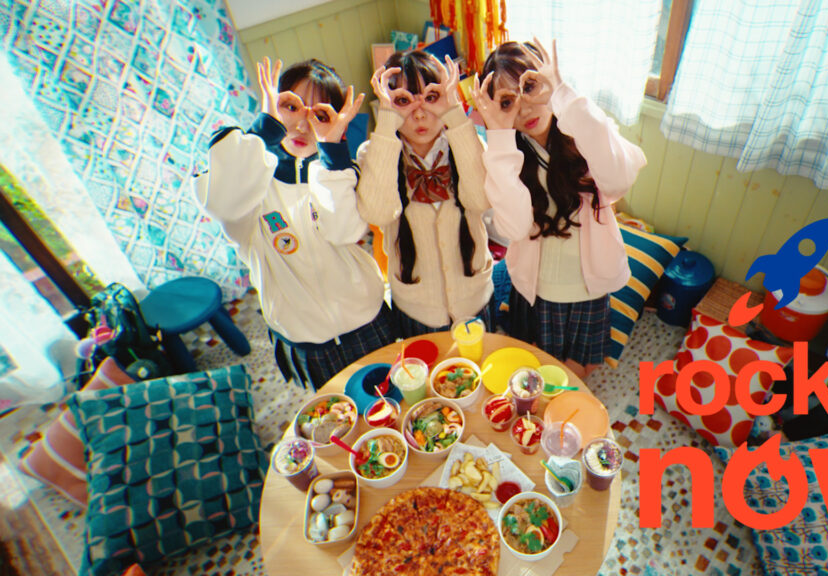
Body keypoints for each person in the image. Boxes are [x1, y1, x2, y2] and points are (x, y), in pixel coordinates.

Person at [194, 57, 393, 390]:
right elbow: (224, 204)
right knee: (340, 417)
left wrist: (332, 154)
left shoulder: (337, 173)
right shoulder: (248, 180)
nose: (302, 125)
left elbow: (344, 232)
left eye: (319, 115)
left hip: (367, 320)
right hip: (307, 340)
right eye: (291, 107)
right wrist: (265, 130)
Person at [474, 40, 646, 378]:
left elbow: (619, 180)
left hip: (586, 286)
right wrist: (499, 135)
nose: (524, 109)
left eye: (530, 87)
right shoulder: (504, 154)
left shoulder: (583, 127)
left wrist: (564, 95)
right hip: (537, 288)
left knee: (578, 370)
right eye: (508, 102)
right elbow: (515, 228)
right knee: (535, 370)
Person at [356, 51, 493, 337]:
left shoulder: (466, 141)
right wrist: (387, 122)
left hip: (474, 297)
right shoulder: (375, 152)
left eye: (431, 97)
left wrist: (454, 114)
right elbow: (378, 214)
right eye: (403, 101)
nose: (419, 114)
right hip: (416, 305)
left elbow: (481, 201)